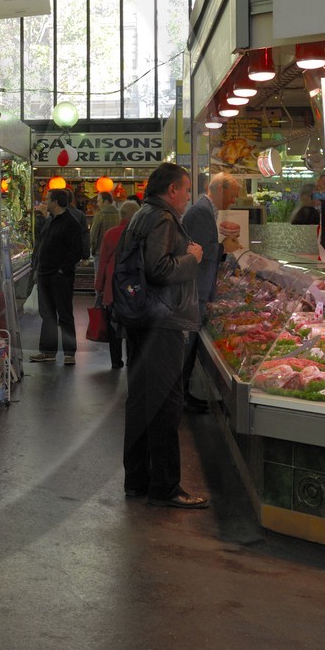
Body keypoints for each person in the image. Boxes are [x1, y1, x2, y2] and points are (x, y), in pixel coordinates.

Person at [117, 162, 208, 510]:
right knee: (167, 404)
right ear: (172, 190)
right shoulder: (163, 218)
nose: (187, 196)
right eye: (186, 190)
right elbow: (159, 269)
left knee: (141, 401)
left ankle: (137, 480)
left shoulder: (142, 214)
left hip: (141, 318)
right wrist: (192, 257)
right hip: (163, 321)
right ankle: (165, 486)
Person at [180, 172, 241, 414]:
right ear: (220, 190)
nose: (233, 201)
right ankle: (180, 397)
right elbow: (199, 252)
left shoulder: (205, 210)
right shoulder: (201, 211)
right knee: (187, 348)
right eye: (233, 196)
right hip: (196, 288)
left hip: (200, 288)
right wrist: (224, 248)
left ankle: (183, 394)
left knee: (190, 347)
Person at [30, 188, 90, 364]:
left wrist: (62, 270)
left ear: (55, 202)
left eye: (48, 199)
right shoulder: (50, 221)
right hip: (45, 275)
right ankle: (48, 352)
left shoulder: (71, 223)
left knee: (64, 315)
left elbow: (76, 251)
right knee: (47, 315)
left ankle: (69, 354)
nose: (45, 202)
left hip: (60, 278)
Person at [93, 198, 139, 370]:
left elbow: (103, 263)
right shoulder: (139, 234)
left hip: (112, 286)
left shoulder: (110, 234)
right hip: (132, 287)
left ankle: (115, 360)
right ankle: (132, 359)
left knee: (113, 323)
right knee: (132, 325)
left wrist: (99, 286)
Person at [90, 192, 122, 258]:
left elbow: (93, 236)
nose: (97, 204)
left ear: (106, 201)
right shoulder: (120, 214)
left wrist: (93, 250)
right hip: (117, 252)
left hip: (100, 252)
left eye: (99, 201)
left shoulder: (99, 215)